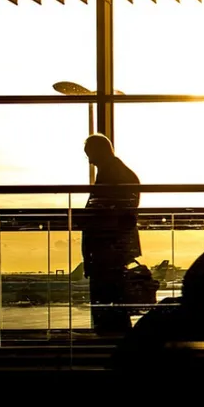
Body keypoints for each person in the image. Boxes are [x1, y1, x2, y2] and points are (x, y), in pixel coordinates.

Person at [77, 133, 141, 336]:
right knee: (114, 306)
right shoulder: (119, 173)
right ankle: (115, 345)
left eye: (90, 154)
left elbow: (110, 215)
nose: (90, 160)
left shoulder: (112, 175)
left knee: (107, 305)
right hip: (112, 250)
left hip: (107, 250)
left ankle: (111, 346)